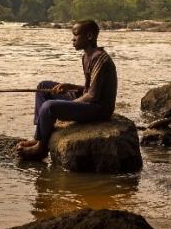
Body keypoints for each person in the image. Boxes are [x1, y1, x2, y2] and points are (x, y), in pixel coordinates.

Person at [17, 20, 118, 160]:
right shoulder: (86, 56)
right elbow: (90, 89)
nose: (73, 39)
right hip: (89, 100)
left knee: (49, 107)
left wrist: (71, 104)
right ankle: (39, 136)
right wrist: (70, 87)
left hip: (99, 109)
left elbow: (93, 96)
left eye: (76, 35)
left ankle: (41, 148)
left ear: (89, 36)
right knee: (43, 87)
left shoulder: (100, 58)